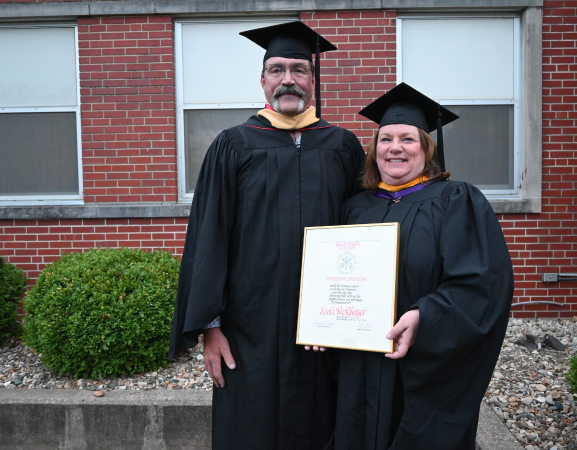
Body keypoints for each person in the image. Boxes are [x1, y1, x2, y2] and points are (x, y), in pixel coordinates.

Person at [169, 21, 365, 450]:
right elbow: (209, 237)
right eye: (277, 70)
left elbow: (364, 230)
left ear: (313, 81)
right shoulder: (234, 145)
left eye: (298, 69)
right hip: (248, 327)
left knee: (324, 421)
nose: (288, 79)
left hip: (326, 326)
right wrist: (211, 327)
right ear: (262, 80)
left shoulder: (343, 146)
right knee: (251, 428)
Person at [326, 83, 514, 450]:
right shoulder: (353, 208)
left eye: (408, 139)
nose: (395, 147)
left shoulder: (456, 200)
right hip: (358, 361)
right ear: (374, 150)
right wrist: (320, 322)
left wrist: (424, 315)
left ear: (427, 149)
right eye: (386, 139)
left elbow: (483, 284)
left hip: (421, 363)